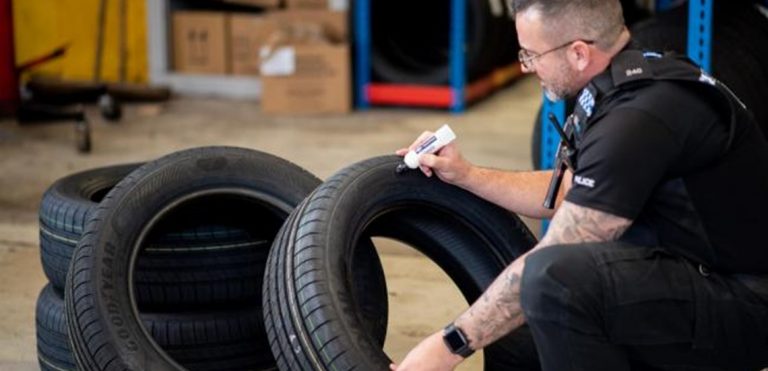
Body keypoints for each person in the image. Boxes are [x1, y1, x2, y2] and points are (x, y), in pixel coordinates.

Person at [390, 0, 768, 370]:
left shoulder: (639, 118)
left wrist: (447, 347)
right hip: (694, 279)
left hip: (746, 306)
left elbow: (565, 244)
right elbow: (572, 192)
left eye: (531, 54)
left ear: (578, 54)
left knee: (552, 282)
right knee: (518, 322)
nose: (527, 68)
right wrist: (466, 175)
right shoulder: (625, 86)